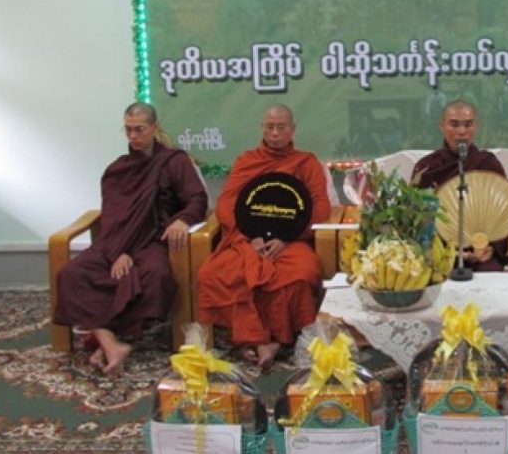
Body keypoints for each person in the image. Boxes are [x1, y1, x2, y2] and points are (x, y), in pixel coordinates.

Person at [54, 103, 208, 375]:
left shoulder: (174, 162)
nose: (133, 136)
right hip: (114, 243)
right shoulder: (118, 170)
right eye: (128, 130)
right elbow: (113, 217)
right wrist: (119, 252)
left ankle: (109, 341)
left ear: (154, 128)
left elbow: (197, 198)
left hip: (154, 241)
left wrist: (182, 220)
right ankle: (111, 343)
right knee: (72, 273)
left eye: (140, 129)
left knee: (156, 276)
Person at [196, 105, 331, 369]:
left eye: (281, 127)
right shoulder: (247, 161)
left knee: (300, 273)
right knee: (214, 273)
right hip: (248, 240)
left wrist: (287, 236)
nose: (275, 133)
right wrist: (250, 236)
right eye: (270, 127)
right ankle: (257, 340)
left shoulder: (306, 163)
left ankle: (274, 340)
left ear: (292, 130)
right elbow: (226, 204)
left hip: (291, 242)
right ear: (262, 129)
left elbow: (320, 207)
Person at [412, 100, 508, 271]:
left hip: (479, 251)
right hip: (438, 251)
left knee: (490, 275)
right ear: (442, 126)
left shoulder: (487, 164)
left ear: (476, 127)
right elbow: (414, 215)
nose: (462, 131)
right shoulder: (427, 167)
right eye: (454, 124)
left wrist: (492, 248)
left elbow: (503, 213)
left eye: (468, 124)